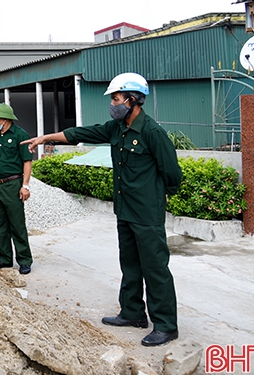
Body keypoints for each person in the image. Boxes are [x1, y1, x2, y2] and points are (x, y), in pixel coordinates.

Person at [23, 72, 183, 347]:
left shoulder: (151, 132)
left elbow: (173, 174)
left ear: (133, 100)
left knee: (155, 268)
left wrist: (158, 197)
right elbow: (82, 133)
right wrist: (46, 137)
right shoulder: (116, 128)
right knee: (130, 264)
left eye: (117, 98)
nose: (113, 103)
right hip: (125, 211)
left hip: (146, 213)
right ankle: (133, 313)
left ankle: (166, 325)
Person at [0, 103, 34, 275]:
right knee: (0, 224)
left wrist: (25, 186)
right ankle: (5, 258)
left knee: (17, 224)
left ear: (5, 119)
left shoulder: (20, 135)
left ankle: (24, 260)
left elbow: (27, 162)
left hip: (13, 184)